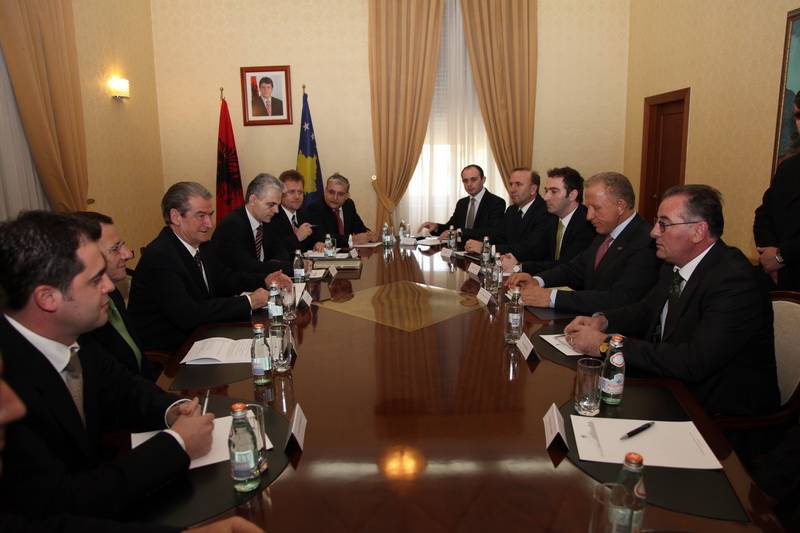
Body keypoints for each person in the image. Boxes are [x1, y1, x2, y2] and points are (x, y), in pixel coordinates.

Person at [0, 211, 216, 519]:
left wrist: (171, 408)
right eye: (94, 280)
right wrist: (177, 444)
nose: (110, 287)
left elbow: (123, 387)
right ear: (47, 298)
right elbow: (64, 503)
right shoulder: (8, 387)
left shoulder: (74, 336)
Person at [564, 185, 779, 417]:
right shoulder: (674, 264)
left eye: (664, 224)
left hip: (715, 413)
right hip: (668, 386)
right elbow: (647, 310)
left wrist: (606, 345)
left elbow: (694, 361)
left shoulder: (735, 281)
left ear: (698, 231)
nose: (653, 232)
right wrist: (603, 321)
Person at [129, 182, 291, 353]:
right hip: (172, 351)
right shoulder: (160, 256)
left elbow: (225, 279)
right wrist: (249, 301)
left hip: (205, 334)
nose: (209, 224)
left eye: (210, 215)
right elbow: (188, 314)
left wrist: (265, 280)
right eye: (201, 216)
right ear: (176, 216)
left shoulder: (203, 245)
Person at [508, 172, 659, 315]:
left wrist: (551, 297)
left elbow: (618, 299)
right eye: (588, 207)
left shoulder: (645, 242)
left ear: (620, 206)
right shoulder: (605, 232)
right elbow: (575, 269)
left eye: (596, 208)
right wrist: (537, 280)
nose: (589, 216)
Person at [73, 212, 161, 380]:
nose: (127, 254)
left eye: (122, 245)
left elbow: (138, 358)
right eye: (115, 249)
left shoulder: (112, 292)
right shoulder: (83, 316)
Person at [501, 166, 596, 274]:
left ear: (572, 195)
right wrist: (510, 259)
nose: (546, 197)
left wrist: (519, 267)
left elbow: (566, 266)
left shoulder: (587, 224)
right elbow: (537, 252)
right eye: (546, 191)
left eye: (554, 192)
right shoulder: (551, 218)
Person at [754, 103, 800, 290]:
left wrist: (781, 256)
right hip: (776, 279)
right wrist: (770, 258)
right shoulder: (787, 167)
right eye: (798, 116)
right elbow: (763, 215)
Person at [212, 173, 294, 274]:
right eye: (271, 204)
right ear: (253, 200)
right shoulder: (231, 226)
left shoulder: (268, 221)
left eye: (278, 205)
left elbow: (282, 252)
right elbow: (248, 267)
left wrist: (275, 263)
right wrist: (293, 266)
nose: (276, 211)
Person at [462, 168, 550, 259]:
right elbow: (499, 236)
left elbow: (529, 248)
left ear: (533, 189)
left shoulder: (545, 211)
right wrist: (478, 244)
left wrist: (486, 248)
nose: (512, 189)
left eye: (518, 184)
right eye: (511, 184)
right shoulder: (511, 210)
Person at [418, 164, 505, 238]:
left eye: (473, 179)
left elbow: (493, 232)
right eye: (465, 181)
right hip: (460, 250)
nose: (469, 184)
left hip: (481, 250)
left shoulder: (496, 202)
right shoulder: (462, 203)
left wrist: (459, 232)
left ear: (483, 180)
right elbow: (451, 227)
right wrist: (436, 227)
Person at [306, 173, 378, 245]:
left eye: (340, 194)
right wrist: (351, 240)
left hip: (350, 252)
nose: (335, 198)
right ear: (325, 192)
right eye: (331, 192)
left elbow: (360, 229)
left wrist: (369, 235)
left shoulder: (349, 205)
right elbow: (321, 237)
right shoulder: (315, 208)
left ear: (347, 196)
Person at [267, 169, 324, 255]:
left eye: (300, 192)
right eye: (291, 192)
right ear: (280, 193)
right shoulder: (271, 217)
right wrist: (297, 237)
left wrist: (318, 243)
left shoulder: (307, 213)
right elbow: (273, 251)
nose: (297, 196)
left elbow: (319, 236)